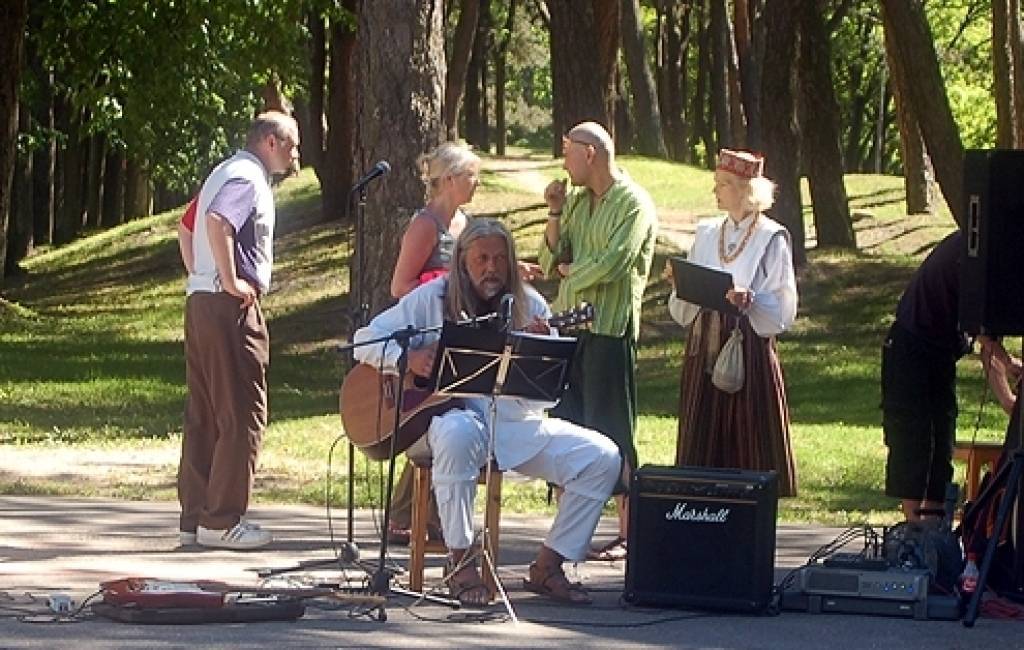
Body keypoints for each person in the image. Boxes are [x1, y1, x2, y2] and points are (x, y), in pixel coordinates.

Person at [353, 218, 620, 606]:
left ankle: (548, 565)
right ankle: (460, 560)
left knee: (602, 458)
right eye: (481, 259)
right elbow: (365, 340)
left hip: (515, 427)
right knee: (459, 433)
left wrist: (537, 353)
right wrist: (406, 358)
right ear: (463, 260)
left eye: (499, 259)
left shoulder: (532, 306)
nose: (491, 268)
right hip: (440, 424)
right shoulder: (432, 297)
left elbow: (544, 399)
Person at [178, 111, 300, 550]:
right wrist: (228, 282)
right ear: (269, 141)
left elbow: (186, 225)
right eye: (292, 146)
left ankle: (195, 518)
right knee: (244, 412)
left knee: (206, 413)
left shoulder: (223, 170)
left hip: (201, 301)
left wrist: (201, 278)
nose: (296, 157)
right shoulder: (248, 177)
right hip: (228, 306)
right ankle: (222, 520)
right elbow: (217, 223)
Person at [538, 121, 658, 561]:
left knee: (613, 429)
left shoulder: (634, 202)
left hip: (609, 329)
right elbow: (551, 259)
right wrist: (553, 211)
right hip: (570, 329)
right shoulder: (573, 202)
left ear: (590, 153)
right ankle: (570, 535)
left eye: (568, 152)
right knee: (570, 427)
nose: (564, 161)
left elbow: (616, 262)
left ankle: (631, 534)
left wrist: (573, 270)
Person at [667, 148, 798, 497]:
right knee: (703, 434)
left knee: (748, 434)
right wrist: (681, 282)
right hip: (704, 340)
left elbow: (782, 303)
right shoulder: (708, 231)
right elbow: (689, 297)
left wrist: (750, 300)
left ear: (745, 189)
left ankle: (748, 507)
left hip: (746, 344)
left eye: (723, 184)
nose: (716, 191)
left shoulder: (772, 236)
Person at [881, 230, 1021, 521]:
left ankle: (933, 526)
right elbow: (987, 341)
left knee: (942, 438)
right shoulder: (977, 257)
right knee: (914, 441)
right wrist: (1009, 378)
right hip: (910, 346)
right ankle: (915, 532)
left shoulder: (991, 256)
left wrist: (1008, 392)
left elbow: (989, 344)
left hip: (940, 354)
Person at [386, 142, 479, 545]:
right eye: (472, 175)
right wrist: (439, 285)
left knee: (452, 417)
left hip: (456, 336)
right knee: (433, 418)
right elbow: (399, 286)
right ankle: (409, 516)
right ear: (450, 179)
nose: (477, 183)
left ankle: (429, 517)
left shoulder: (466, 223)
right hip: (426, 340)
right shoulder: (425, 226)